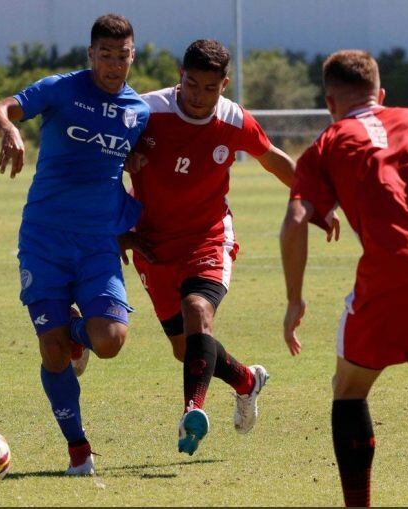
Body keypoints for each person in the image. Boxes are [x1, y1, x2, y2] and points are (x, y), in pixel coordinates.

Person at [279, 49, 408, 507]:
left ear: (330, 101)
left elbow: (296, 219)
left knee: (349, 390)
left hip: (391, 277)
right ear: (382, 94)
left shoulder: (328, 142)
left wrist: (295, 300)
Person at [123, 39, 319, 455]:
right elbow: (102, 163)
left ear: (224, 84)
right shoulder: (145, 112)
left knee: (198, 312)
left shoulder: (234, 121)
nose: (198, 97)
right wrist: (123, 172)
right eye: (191, 85)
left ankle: (192, 411)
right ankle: (247, 381)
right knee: (187, 350)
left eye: (209, 89)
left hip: (208, 237)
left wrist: (317, 200)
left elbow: (275, 160)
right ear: (180, 76)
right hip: (152, 245)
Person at [0, 14, 150, 476]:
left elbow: (138, 169)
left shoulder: (139, 112)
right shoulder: (61, 88)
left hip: (98, 243)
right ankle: (79, 449)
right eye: (105, 55)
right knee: (51, 352)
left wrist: (133, 231)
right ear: (90, 54)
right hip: (44, 239)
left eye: (123, 56)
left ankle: (78, 337)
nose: (114, 65)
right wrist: (11, 129)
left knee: (110, 341)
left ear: (133, 56)